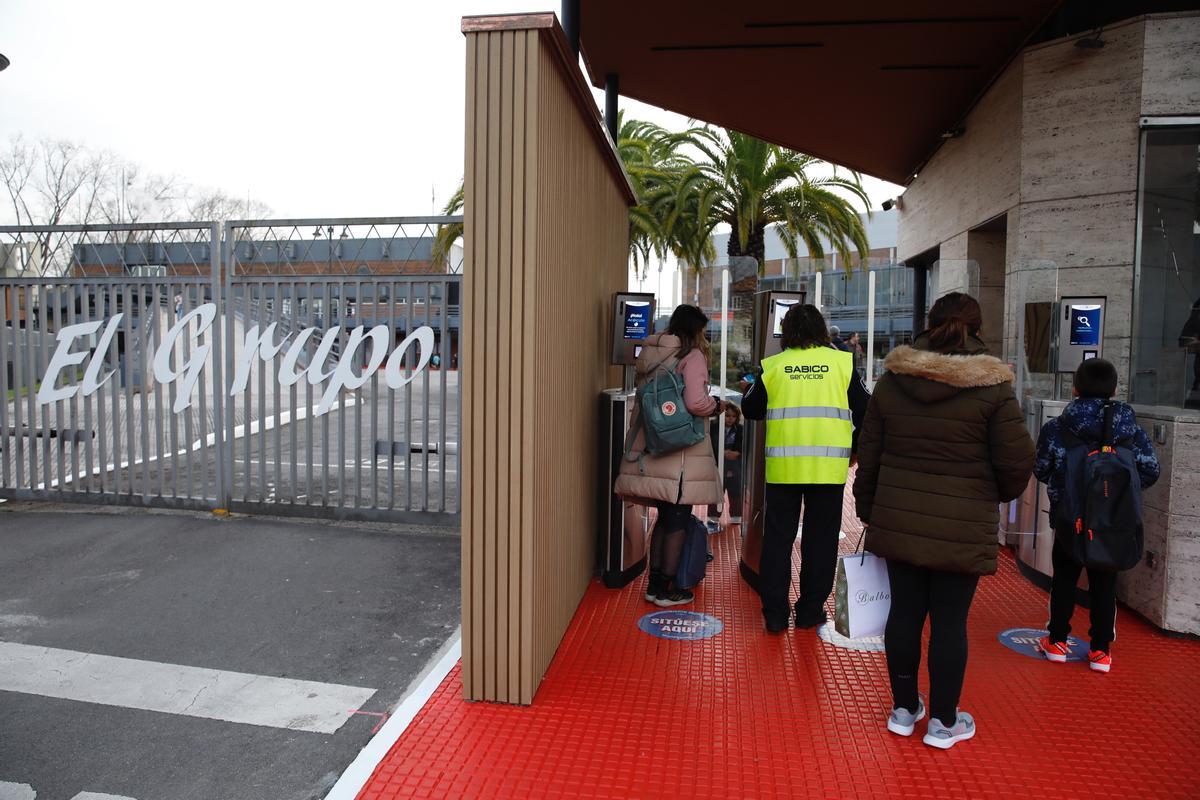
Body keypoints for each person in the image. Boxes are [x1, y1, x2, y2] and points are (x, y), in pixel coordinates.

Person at [854, 291, 1034, 750]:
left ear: (929, 324)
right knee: (950, 622)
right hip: (961, 525)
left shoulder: (894, 382)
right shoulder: (991, 387)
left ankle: (901, 709)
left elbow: (868, 452)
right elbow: (1016, 462)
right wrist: (991, 496)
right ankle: (944, 723)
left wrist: (869, 507)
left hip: (900, 520)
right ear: (976, 329)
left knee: (905, 613)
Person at [741, 304, 870, 632]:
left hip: (785, 469)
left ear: (787, 332)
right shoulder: (842, 363)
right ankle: (811, 610)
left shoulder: (774, 366)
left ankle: (775, 614)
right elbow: (867, 410)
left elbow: (751, 409)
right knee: (821, 540)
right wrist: (854, 448)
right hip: (828, 468)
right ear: (821, 330)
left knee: (778, 541)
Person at [1033, 358, 1159, 673]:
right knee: (1105, 583)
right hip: (1114, 522)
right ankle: (1100, 651)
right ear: (1115, 389)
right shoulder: (1130, 429)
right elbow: (1150, 470)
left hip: (1069, 518)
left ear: (1075, 388)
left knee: (1063, 579)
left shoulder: (1058, 427)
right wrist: (1114, 498)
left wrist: (1067, 490)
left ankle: (1058, 642)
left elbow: (1041, 469)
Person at [614, 304, 723, 607]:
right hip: (680, 450)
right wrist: (716, 406)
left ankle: (654, 584)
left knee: (665, 518)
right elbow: (695, 402)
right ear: (695, 330)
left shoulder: (652, 353)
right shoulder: (692, 356)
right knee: (677, 519)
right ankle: (665, 589)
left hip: (653, 447)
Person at [706, 402, 744, 529]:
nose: (730, 419)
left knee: (735, 491)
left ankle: (736, 515)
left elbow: (743, 444)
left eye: (733, 416)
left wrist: (737, 453)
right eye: (727, 416)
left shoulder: (740, 429)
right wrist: (721, 453)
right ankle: (713, 516)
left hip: (734, 465)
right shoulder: (714, 427)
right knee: (716, 491)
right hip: (717, 463)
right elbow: (710, 443)